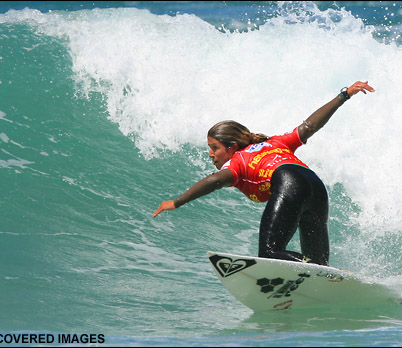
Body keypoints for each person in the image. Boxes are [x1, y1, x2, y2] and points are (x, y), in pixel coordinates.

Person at [153, 81, 375, 266]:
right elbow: (310, 125)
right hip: (315, 185)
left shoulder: (238, 162)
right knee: (318, 263)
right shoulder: (275, 142)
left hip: (289, 183)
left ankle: (313, 270)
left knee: (269, 253)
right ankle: (327, 279)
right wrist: (344, 95)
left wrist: (177, 202)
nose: (211, 154)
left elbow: (214, 181)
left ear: (231, 147)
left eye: (214, 148)